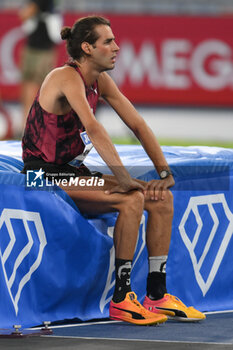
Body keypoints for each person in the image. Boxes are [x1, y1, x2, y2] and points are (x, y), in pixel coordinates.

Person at [21, 16, 206, 325]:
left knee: (160, 198)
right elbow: (93, 127)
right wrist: (122, 179)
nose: (116, 47)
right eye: (108, 42)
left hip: (71, 172)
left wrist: (163, 173)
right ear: (87, 48)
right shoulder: (66, 77)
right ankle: (122, 299)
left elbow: (137, 124)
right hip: (39, 174)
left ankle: (157, 294)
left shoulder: (101, 81)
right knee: (131, 198)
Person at [19, 0, 62, 131]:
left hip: (41, 52)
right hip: (38, 49)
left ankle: (32, 126)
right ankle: (29, 126)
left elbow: (24, 14)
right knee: (30, 87)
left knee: (36, 89)